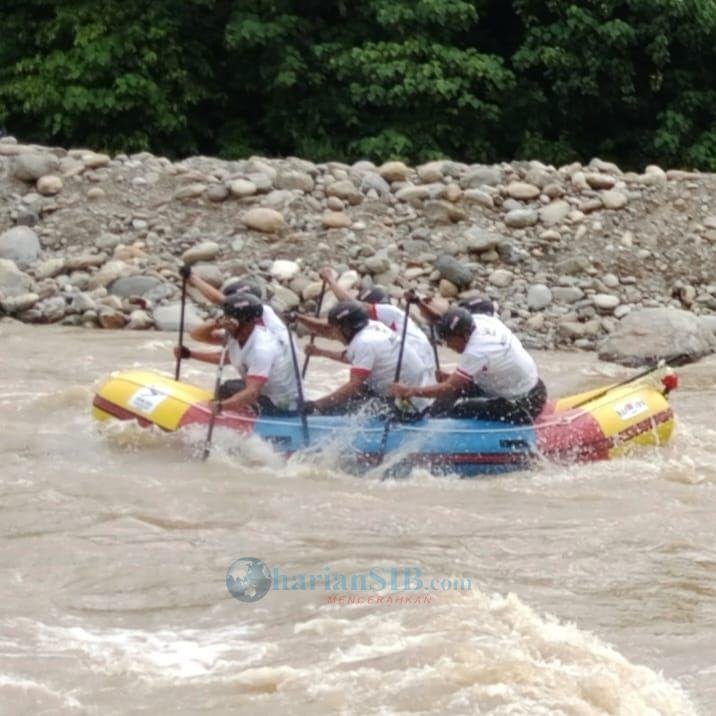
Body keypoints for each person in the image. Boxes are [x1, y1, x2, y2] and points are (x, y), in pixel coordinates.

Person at [390, 307, 546, 424]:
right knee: (453, 392)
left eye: (449, 341)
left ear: (464, 334)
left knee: (461, 408)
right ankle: (431, 420)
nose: (448, 346)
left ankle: (440, 435)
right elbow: (443, 317)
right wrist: (420, 304)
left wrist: (410, 391)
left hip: (526, 403)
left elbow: (448, 387)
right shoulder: (479, 321)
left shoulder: (477, 351)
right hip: (519, 384)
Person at [298, 300, 433, 416]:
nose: (333, 334)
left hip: (408, 404)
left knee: (342, 404)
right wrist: (320, 352)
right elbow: (356, 359)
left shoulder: (364, 343)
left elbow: (353, 387)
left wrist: (316, 404)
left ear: (346, 328)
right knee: (353, 394)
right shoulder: (373, 326)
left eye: (335, 329)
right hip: (413, 390)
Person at [174, 293, 299, 415]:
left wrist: (222, 406)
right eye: (225, 318)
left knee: (227, 389)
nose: (226, 322)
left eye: (229, 318)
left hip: (280, 404)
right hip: (266, 390)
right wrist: (190, 354)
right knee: (228, 388)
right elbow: (197, 335)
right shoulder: (237, 335)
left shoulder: (262, 349)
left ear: (245, 322)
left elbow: (253, 392)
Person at [317, 267, 437, 378]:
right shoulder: (378, 332)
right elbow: (353, 356)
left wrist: (330, 280)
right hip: (419, 372)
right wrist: (319, 351)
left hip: (416, 372)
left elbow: (352, 305)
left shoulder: (390, 313)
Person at [180, 265, 291, 347]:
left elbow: (221, 300)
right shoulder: (246, 318)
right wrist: (192, 278)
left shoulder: (263, 322)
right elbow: (196, 335)